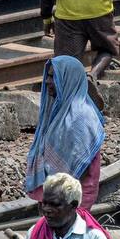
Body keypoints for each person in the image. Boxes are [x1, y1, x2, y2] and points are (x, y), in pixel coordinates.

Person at [26, 56, 106, 212]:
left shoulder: (81, 118)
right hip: (56, 201)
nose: (47, 82)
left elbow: (79, 172)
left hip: (72, 203)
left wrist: (62, 209)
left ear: (68, 80)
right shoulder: (58, 112)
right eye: (48, 76)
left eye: (53, 77)